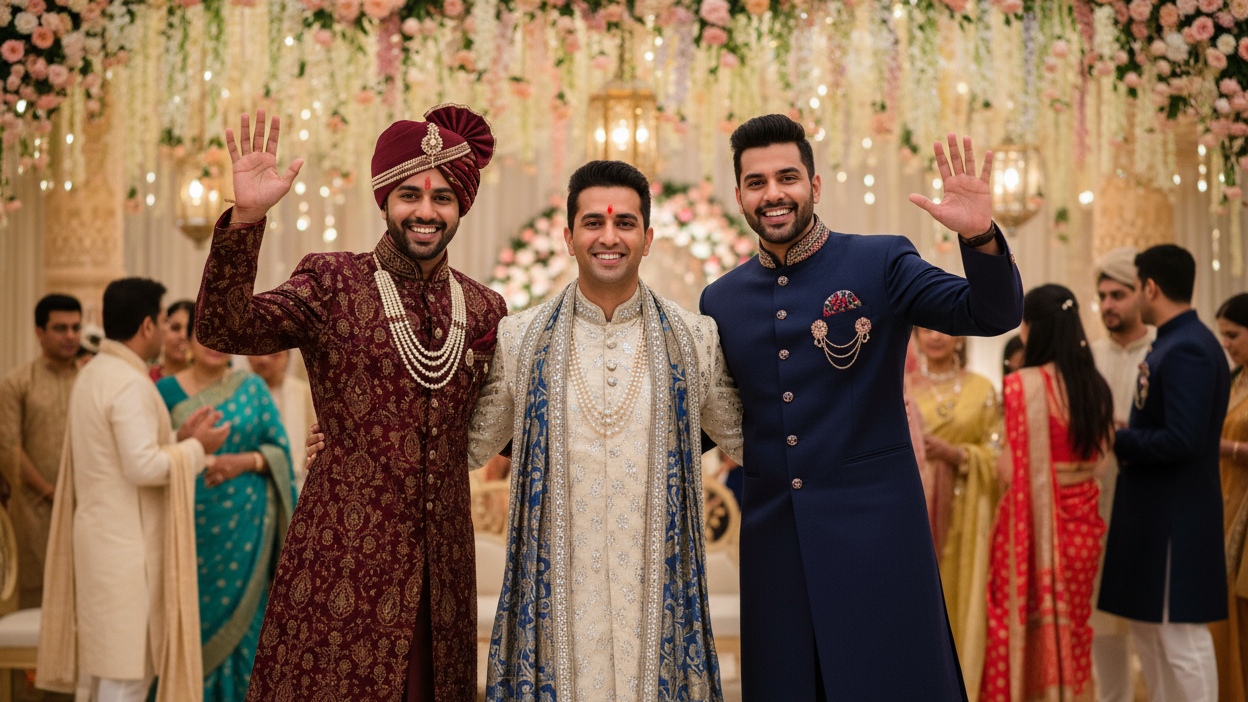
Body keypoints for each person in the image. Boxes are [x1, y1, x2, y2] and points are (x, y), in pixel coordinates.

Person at [698, 115, 1023, 700]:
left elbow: (991, 314)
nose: (773, 194)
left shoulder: (880, 263)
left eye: (787, 178)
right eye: (756, 182)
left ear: (815, 187)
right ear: (741, 195)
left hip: (877, 535)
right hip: (775, 548)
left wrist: (979, 238)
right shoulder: (720, 299)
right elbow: (712, 417)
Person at [194, 106, 506, 701]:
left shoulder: (486, 308)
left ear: (461, 207)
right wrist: (247, 219)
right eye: (409, 194)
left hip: (443, 573)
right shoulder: (333, 283)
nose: (425, 211)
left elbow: (509, 423)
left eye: (442, 198)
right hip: (344, 556)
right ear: (384, 199)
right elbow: (224, 325)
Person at [466, 160, 743, 700]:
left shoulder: (696, 339)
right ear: (569, 237)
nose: (608, 237)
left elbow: (751, 440)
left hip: (658, 604)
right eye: (593, 223)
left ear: (648, 237)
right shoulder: (520, 340)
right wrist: (356, 444)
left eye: (625, 223)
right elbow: (468, 444)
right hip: (557, 611)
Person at [37, 277, 230, 702]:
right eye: (163, 321)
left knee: (108, 672)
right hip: (125, 552)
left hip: (103, 542)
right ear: (147, 326)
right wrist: (200, 448)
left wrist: (177, 439)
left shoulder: (96, 373)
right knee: (124, 677)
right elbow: (142, 466)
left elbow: (121, 456)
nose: (166, 330)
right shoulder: (127, 382)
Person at [1098, 244, 1230, 702]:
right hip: (1156, 512)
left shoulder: (1188, 347)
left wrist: (1121, 438)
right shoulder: (1175, 342)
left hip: (1177, 516)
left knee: (1182, 639)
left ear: (1149, 287)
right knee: (1151, 633)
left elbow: (1184, 439)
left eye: (1133, 288)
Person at [980, 285, 1115, 702]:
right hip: (1083, 533)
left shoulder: (1021, 386)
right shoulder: (1096, 386)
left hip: (1030, 531)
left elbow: (1007, 470)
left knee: (1015, 623)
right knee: (1073, 629)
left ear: (1033, 328)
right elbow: (1102, 463)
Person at [155, 314, 296, 702]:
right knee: (188, 621)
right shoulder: (163, 393)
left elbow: (280, 454)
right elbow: (153, 457)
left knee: (246, 625)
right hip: (187, 527)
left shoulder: (251, 387)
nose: (215, 343)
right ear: (187, 339)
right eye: (205, 333)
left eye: (223, 334)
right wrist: (186, 447)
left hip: (246, 528)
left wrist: (242, 462)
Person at [908, 328, 1001, 700]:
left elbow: (998, 456)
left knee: (965, 597)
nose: (936, 336)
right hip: (915, 516)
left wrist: (960, 455)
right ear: (914, 336)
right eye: (926, 327)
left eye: (945, 328)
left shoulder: (982, 389)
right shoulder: (902, 389)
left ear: (961, 337)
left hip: (968, 517)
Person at [1087, 246, 1154, 702]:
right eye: (1103, 296)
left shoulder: (1162, 352)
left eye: (1119, 294)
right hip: (1097, 507)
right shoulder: (1088, 358)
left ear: (1141, 295)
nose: (1109, 304)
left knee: (1154, 632)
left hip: (1151, 507)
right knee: (1101, 631)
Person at [0, 294, 81, 609]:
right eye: (60, 328)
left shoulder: (90, 379)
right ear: (39, 332)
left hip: (84, 505)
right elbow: (8, 447)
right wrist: (51, 491)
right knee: (39, 601)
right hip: (34, 511)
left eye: (75, 327)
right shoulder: (17, 383)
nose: (71, 335)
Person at [1212, 293, 1248, 701]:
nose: (1227, 344)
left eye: (1233, 335)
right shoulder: (1236, 378)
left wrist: (1228, 449)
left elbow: (1222, 442)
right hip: (1225, 503)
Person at [247, 350, 316, 489]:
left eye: (274, 355)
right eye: (258, 352)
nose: (264, 360)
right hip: (247, 482)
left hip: (295, 482)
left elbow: (314, 442)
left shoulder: (303, 393)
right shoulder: (238, 393)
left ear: (287, 359)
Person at [150, 300, 195, 381]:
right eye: (175, 328)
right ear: (162, 331)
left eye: (190, 330)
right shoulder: (147, 379)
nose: (183, 336)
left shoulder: (210, 383)